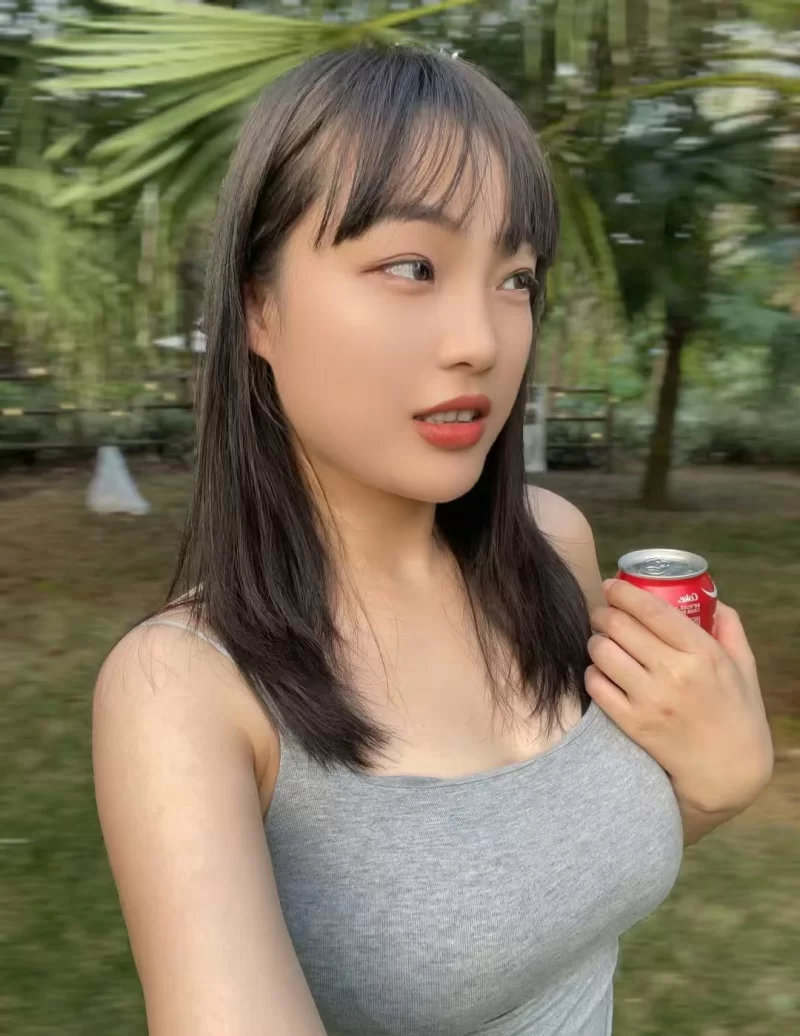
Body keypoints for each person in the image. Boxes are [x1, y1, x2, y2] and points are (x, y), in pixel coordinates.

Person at [93, 46, 773, 1036]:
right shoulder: (182, 692)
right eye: (412, 267)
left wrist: (714, 785)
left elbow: (553, 887)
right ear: (257, 306)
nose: (481, 341)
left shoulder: (552, 544)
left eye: (514, 278)